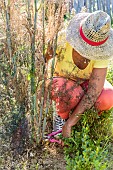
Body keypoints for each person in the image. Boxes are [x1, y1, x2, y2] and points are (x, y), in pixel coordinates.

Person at [44, 10, 113, 138]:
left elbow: (94, 92)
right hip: (61, 83)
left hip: (84, 85)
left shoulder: (101, 53)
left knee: (108, 96)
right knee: (70, 93)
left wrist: (70, 124)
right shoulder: (62, 39)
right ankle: (61, 117)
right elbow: (42, 62)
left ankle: (78, 121)